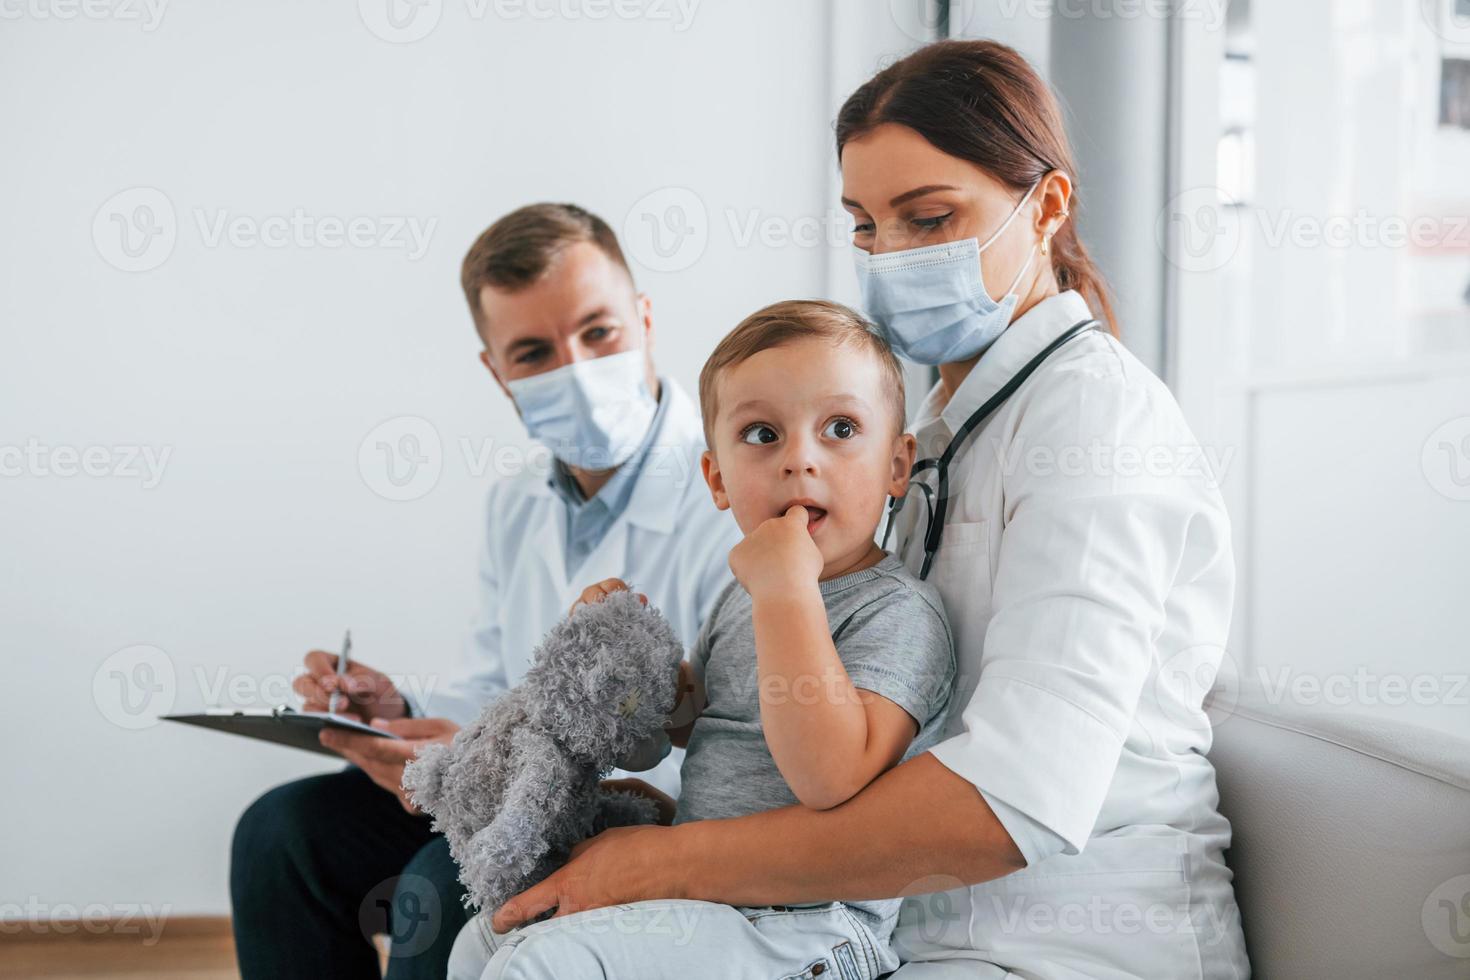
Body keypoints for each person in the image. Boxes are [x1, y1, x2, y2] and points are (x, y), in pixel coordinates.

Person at [485, 41, 1251, 980]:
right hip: (909, 931)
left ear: (1046, 207)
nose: (890, 257)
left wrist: (666, 865)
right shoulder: (933, 430)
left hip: (1070, 944)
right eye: (864, 225)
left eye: (929, 219)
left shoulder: (1095, 423)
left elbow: (1019, 799)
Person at [228, 203, 742, 980]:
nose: (574, 369)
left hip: (639, 812)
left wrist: (505, 766)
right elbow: (494, 687)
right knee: (280, 833)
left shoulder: (733, 490)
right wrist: (402, 721)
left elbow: (728, 748)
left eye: (598, 333)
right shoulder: (516, 504)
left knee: (438, 887)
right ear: (496, 372)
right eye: (534, 352)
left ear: (644, 320)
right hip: (504, 793)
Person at [447, 299, 956, 980]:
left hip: (812, 924)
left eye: (840, 428)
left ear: (897, 467)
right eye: (761, 435)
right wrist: (627, 672)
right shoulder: (742, 595)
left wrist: (787, 596)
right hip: (718, 903)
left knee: (547, 964)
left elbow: (831, 776)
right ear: (717, 479)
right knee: (484, 941)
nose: (800, 460)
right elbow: (694, 724)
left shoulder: (898, 613)